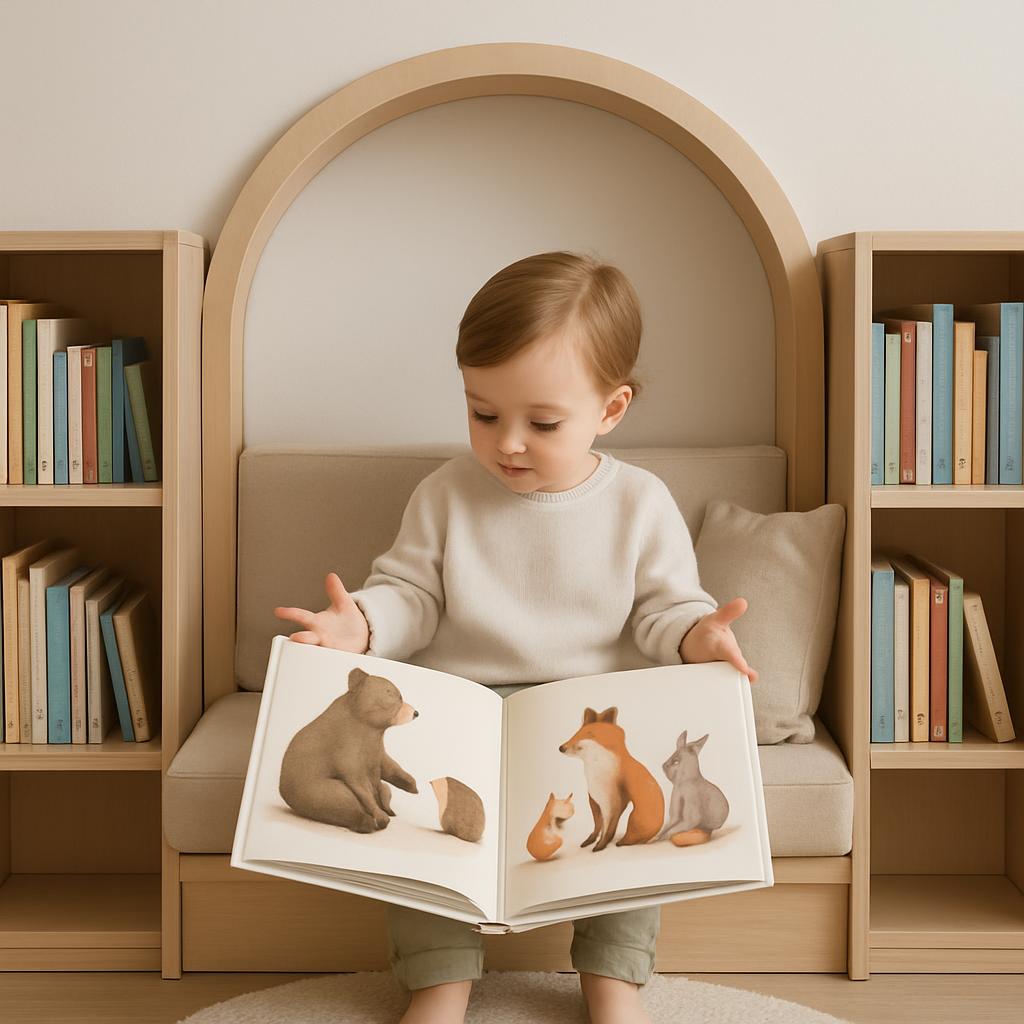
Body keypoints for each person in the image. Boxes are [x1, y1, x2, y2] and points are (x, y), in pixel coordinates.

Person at [274, 250, 758, 1024]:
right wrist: (356, 626)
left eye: (542, 423)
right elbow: (411, 596)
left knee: (629, 844)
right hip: (468, 708)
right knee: (429, 843)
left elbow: (664, 614)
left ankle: (614, 986)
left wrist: (700, 637)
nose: (507, 444)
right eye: (483, 413)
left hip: (587, 718)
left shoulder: (641, 501)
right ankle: (437, 985)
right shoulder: (445, 493)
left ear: (611, 408)